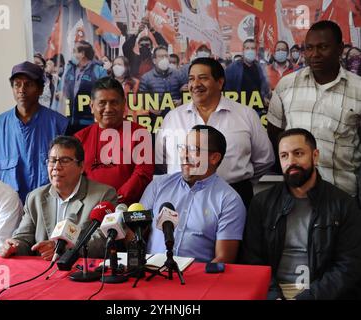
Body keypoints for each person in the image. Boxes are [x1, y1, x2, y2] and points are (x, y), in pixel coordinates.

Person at [241, 128, 361, 300]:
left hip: (321, 293)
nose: (291, 161)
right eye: (284, 156)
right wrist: (273, 295)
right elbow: (252, 260)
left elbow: (349, 266)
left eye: (298, 153)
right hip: (275, 291)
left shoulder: (343, 204)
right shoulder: (262, 203)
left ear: (315, 156)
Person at [156, 57, 275, 209]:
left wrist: (238, 181)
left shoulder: (246, 115)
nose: (196, 84)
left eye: (203, 78)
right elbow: (162, 161)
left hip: (235, 196)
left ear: (220, 82)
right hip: (183, 198)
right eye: (191, 79)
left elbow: (265, 159)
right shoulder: (173, 117)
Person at [267, 20, 361, 203]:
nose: (315, 54)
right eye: (309, 48)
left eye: (323, 47)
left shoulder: (358, 89)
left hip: (341, 197)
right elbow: (275, 132)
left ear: (340, 48)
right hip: (295, 196)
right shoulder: (287, 85)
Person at [0, 136, 117, 260]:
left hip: (80, 271)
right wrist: (15, 246)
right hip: (41, 271)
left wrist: (64, 249)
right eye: (52, 160)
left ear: (81, 166)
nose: (56, 166)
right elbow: (24, 237)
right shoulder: (35, 198)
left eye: (65, 160)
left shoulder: (103, 195)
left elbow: (103, 239)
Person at [141, 125, 246, 262]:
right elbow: (136, 231)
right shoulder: (158, 185)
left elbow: (224, 258)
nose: (184, 155)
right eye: (182, 148)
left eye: (193, 150)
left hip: (198, 279)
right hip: (153, 275)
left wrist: (196, 282)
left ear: (214, 158)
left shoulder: (229, 200)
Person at [0, 61, 68, 203]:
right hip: (11, 207)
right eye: (17, 84)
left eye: (29, 84)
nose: (22, 90)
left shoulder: (59, 124)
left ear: (40, 89)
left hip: (50, 204)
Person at [74, 77, 154, 206]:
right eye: (102, 103)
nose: (108, 108)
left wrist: (114, 200)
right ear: (92, 106)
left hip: (128, 211)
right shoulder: (80, 138)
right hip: (89, 210)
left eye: (114, 102)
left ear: (124, 104)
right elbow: (75, 177)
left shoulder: (140, 134)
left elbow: (142, 174)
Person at [61, 40, 107, 133]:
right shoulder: (69, 69)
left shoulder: (99, 70)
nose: (72, 54)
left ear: (82, 54)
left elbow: (104, 95)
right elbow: (61, 89)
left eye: (74, 51)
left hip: (88, 122)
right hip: (68, 121)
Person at [139, 46, 187, 118]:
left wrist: (181, 101)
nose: (164, 59)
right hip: (157, 118)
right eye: (161, 56)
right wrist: (151, 109)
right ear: (154, 60)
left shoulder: (178, 74)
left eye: (166, 56)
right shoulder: (146, 78)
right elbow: (141, 99)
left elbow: (189, 92)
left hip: (176, 116)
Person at [224, 39, 271, 106]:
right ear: (243, 51)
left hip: (257, 108)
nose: (250, 51)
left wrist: (265, 97)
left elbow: (265, 88)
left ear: (256, 51)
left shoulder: (260, 68)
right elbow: (226, 89)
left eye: (253, 48)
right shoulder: (232, 68)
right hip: (240, 108)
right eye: (247, 48)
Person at [111, 56, 142, 121]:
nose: (116, 67)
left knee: (126, 130)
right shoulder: (107, 83)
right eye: (114, 65)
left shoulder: (135, 83)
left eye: (119, 64)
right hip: (112, 120)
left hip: (129, 120)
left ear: (126, 67)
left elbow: (140, 104)